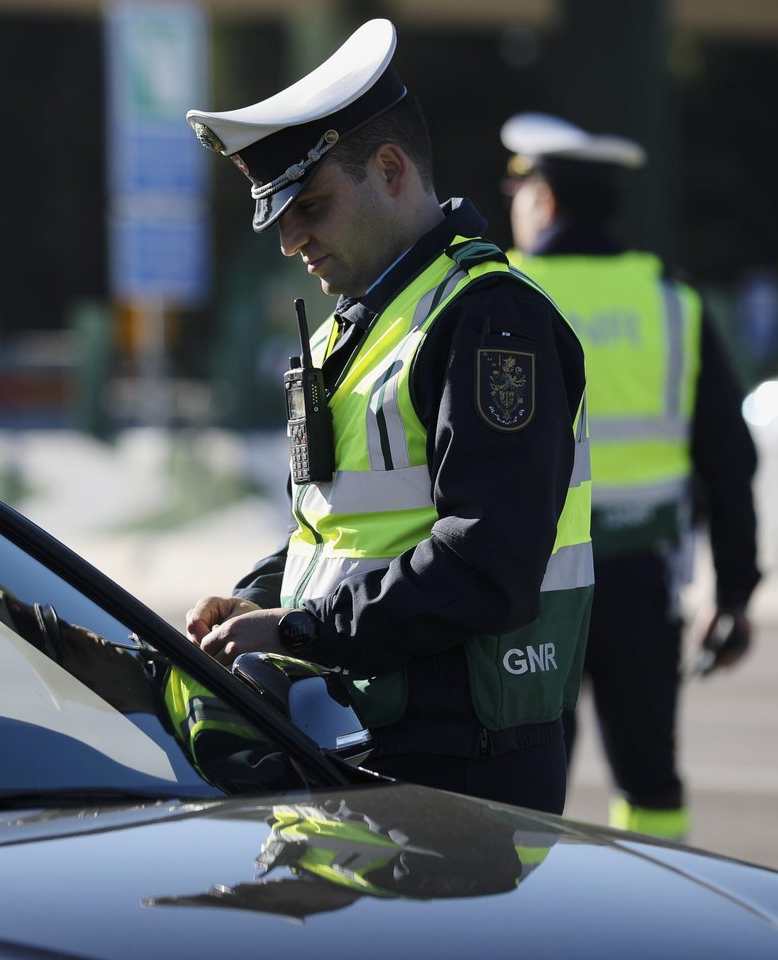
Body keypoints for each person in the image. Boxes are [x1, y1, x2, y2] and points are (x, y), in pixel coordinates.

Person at [181, 19, 594, 814]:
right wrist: (260, 599)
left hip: (462, 751)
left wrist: (300, 633)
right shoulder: (368, 320)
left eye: (311, 205)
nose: (290, 239)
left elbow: (486, 563)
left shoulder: (488, 319)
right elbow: (345, 524)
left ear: (392, 169)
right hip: (375, 728)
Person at [500, 112, 762, 839]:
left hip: (528, 589)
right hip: (642, 584)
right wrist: (736, 592)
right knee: (649, 781)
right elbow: (729, 456)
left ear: (544, 201)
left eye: (516, 188)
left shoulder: (502, 297)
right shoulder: (672, 303)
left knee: (520, 787)